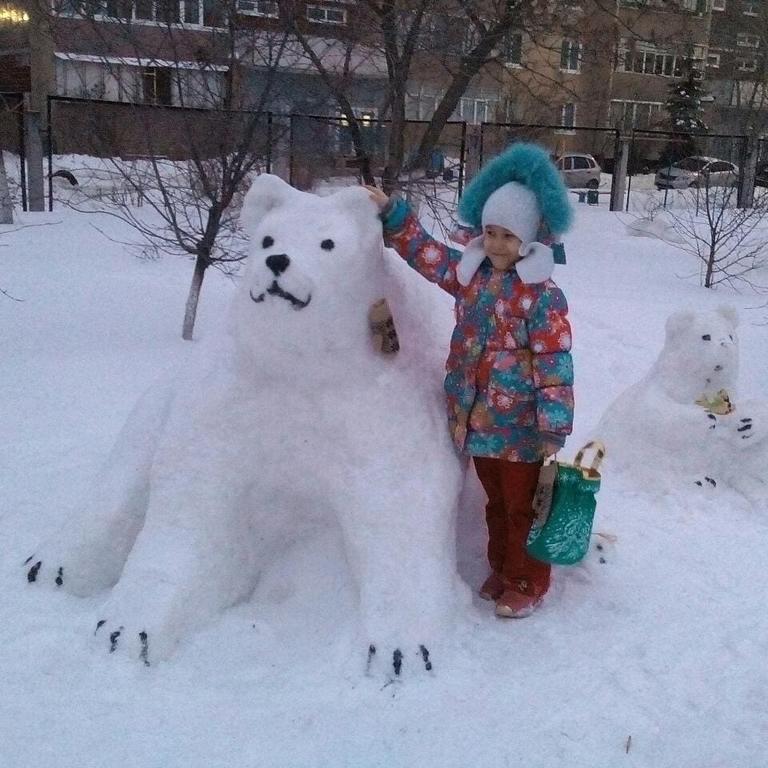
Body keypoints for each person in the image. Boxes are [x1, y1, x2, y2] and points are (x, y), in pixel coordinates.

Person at [367, 142, 574, 619]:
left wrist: (553, 426)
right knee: (497, 505)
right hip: (478, 421)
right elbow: (427, 255)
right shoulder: (471, 277)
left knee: (525, 508)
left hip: (523, 429)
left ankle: (528, 580)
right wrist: (393, 214)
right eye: (491, 233)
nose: (498, 244)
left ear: (530, 239)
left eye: (509, 235)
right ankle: (503, 569)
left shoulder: (542, 297)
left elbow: (555, 364)